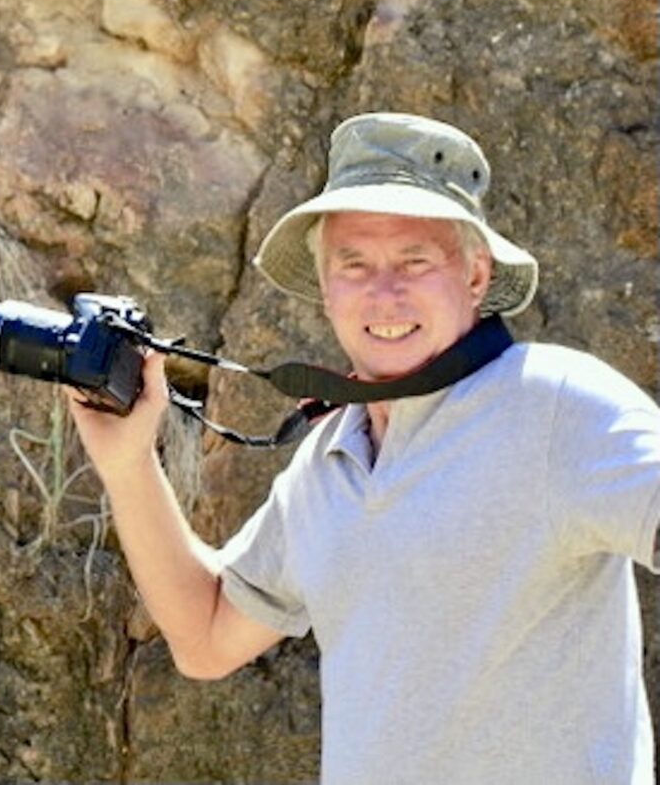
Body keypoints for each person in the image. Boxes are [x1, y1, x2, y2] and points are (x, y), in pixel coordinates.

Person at [67, 112, 660, 785]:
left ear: (474, 277)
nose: (384, 292)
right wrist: (127, 463)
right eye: (355, 264)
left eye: (416, 259)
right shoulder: (326, 462)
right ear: (325, 290)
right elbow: (205, 637)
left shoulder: (554, 402)